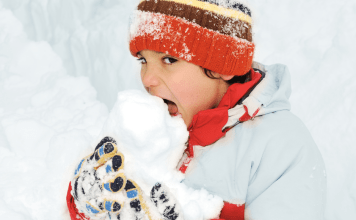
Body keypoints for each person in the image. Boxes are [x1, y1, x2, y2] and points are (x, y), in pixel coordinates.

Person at [67, 0, 327, 219]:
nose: (147, 79)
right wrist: (90, 206)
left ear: (223, 66)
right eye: (143, 60)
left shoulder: (281, 147)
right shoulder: (155, 129)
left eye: (169, 59)